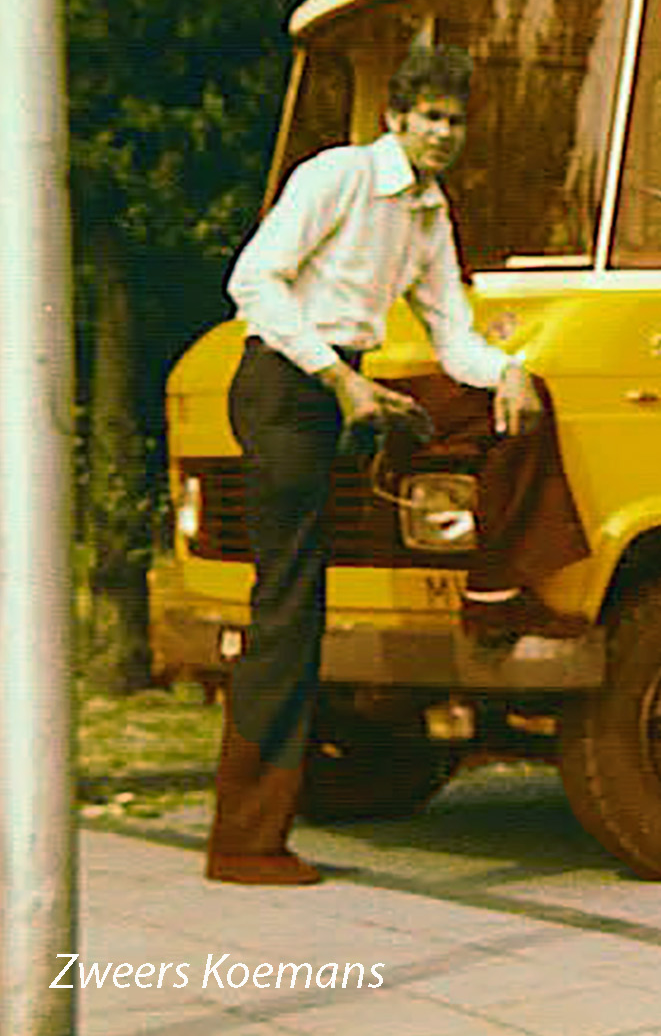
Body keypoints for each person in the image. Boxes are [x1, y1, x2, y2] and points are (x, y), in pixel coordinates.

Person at [206, 45, 589, 885]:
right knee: (288, 610)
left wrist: (510, 370)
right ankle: (244, 844)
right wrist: (340, 381)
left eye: (455, 121)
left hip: (345, 385)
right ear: (397, 118)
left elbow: (453, 336)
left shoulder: (428, 213)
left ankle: (495, 592)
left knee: (515, 409)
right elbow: (254, 282)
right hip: (285, 383)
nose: (443, 133)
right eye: (430, 118)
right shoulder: (338, 176)